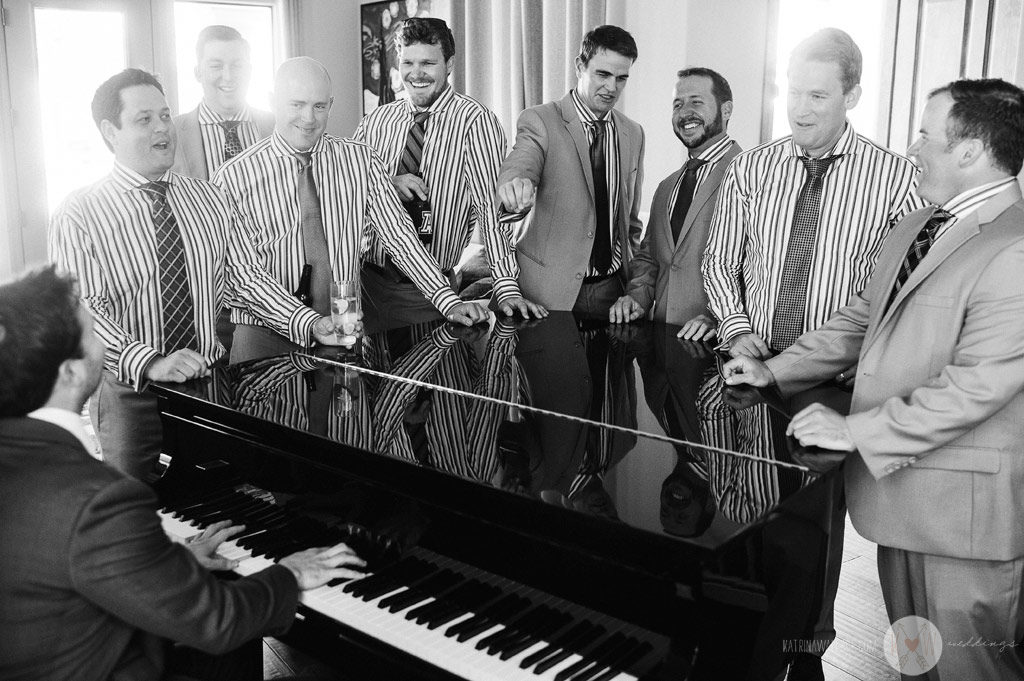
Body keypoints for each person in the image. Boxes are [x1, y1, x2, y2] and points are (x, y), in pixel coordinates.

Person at [724, 78, 1024, 681]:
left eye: (924, 134)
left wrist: (852, 429)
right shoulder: (919, 225)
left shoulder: (1014, 247)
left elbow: (977, 388)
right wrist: (772, 369)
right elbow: (862, 321)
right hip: (901, 503)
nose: (912, 148)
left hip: (964, 524)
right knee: (917, 665)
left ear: (969, 151)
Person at [0, 266, 365, 681]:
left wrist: (167, 565)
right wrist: (291, 573)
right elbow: (218, 621)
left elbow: (62, 567)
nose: (105, 343)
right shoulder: (98, 498)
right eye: (93, 336)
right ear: (70, 372)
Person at [49, 68, 342, 481]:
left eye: (165, 115)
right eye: (144, 119)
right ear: (110, 132)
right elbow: (85, 311)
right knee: (135, 514)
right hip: (131, 394)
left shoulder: (208, 197)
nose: (161, 128)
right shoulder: (79, 213)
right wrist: (150, 363)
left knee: (224, 505)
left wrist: (312, 325)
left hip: (212, 386)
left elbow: (246, 277)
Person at [214, 57, 487, 360]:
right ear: (271, 101)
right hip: (262, 337)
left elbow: (399, 238)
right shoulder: (233, 178)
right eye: (296, 104)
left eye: (319, 106)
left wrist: (448, 301)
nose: (308, 118)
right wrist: (309, 323)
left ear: (330, 104)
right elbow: (243, 275)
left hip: (344, 331)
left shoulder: (361, 160)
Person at [702, 28, 924, 359]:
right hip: (758, 362)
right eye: (794, 93)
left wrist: (873, 352)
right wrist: (735, 329)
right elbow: (720, 260)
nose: (800, 111)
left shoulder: (899, 178)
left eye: (817, 96)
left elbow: (913, 286)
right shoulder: (748, 168)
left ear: (852, 97)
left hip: (840, 372)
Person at [353, 18, 545, 324]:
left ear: (450, 63)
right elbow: (349, 196)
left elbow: (489, 210)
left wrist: (507, 287)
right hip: (368, 289)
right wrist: (386, 185)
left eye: (428, 63)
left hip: (434, 296)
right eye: (407, 62)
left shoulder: (476, 122)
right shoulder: (374, 122)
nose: (416, 74)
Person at [496, 25, 645, 317]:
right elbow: (521, 164)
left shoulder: (634, 133)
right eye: (602, 75)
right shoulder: (540, 120)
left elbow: (630, 223)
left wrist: (635, 288)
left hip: (613, 294)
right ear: (580, 66)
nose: (612, 88)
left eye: (621, 78)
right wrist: (515, 186)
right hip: (545, 295)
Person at [610, 67, 741, 337]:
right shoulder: (666, 186)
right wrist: (637, 298)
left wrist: (725, 320)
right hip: (659, 346)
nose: (685, 112)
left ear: (726, 110)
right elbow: (649, 256)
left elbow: (762, 268)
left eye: (696, 101)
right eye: (677, 104)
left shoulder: (752, 176)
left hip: (717, 347)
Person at [172, 25, 274, 181]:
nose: (228, 76)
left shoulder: (278, 127)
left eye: (237, 65)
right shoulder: (171, 134)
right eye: (216, 66)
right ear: (198, 73)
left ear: (250, 71)